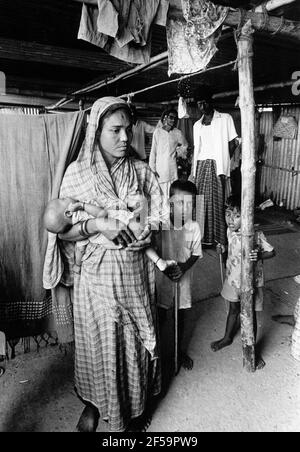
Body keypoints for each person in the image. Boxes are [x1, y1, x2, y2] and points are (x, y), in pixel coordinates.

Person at [46, 96, 168, 433]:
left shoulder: (141, 171)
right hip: (95, 280)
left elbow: (158, 215)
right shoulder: (77, 174)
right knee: (99, 345)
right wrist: (96, 225)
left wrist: (150, 233)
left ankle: (135, 408)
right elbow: (62, 231)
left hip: (134, 276)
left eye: (127, 130)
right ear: (96, 132)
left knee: (133, 344)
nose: (126, 138)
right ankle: (95, 404)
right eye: (115, 130)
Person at [211, 195, 275, 370]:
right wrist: (222, 249)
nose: (231, 220)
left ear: (247, 216)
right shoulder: (229, 232)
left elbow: (272, 252)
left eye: (237, 215)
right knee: (233, 310)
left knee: (250, 315)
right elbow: (231, 250)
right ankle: (227, 337)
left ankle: (252, 349)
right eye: (228, 214)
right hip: (233, 280)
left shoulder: (256, 234)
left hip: (252, 283)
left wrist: (259, 255)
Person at [44, 195, 175, 274]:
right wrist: (83, 205)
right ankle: (169, 215)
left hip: (118, 242)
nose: (65, 196)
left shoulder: (78, 233)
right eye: (62, 199)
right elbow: (102, 215)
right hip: (122, 229)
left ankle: (159, 262)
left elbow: (80, 249)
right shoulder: (81, 213)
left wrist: (77, 265)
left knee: (143, 242)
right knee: (143, 224)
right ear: (68, 213)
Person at [155, 180, 202, 371]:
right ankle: (157, 352)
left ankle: (177, 350)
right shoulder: (161, 223)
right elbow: (150, 248)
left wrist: (183, 267)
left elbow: (197, 254)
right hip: (161, 279)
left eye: (190, 203)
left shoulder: (194, 227)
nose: (186, 208)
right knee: (159, 315)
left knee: (180, 316)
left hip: (183, 279)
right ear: (170, 202)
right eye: (180, 202)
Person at [190, 88, 238, 246]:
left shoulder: (225, 119)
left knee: (217, 202)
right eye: (199, 104)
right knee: (200, 202)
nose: (202, 106)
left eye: (204, 102)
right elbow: (197, 149)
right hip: (201, 165)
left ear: (211, 102)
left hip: (218, 166)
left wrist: (224, 159)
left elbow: (234, 142)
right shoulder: (197, 125)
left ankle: (219, 238)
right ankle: (202, 238)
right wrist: (193, 171)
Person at [149, 108, 188, 200]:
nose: (173, 120)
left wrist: (178, 152)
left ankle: (173, 213)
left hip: (172, 168)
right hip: (160, 169)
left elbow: (185, 145)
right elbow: (153, 151)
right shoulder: (157, 132)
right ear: (165, 118)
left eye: (175, 118)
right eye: (171, 117)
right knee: (160, 197)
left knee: (173, 193)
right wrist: (152, 168)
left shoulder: (178, 133)